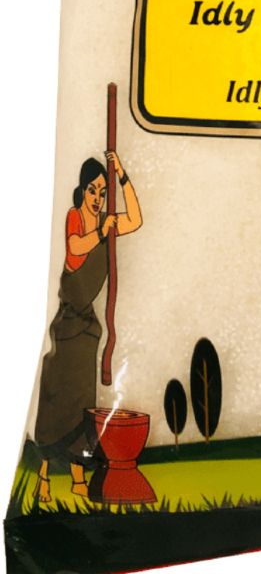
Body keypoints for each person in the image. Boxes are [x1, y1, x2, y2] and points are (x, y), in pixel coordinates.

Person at [33, 151, 142, 502]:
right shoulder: (76, 218)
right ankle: (43, 474)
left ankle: (78, 476)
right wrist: (102, 230)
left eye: (103, 192)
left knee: (83, 400)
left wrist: (122, 175)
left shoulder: (106, 223)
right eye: (93, 190)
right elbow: (75, 247)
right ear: (82, 190)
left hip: (87, 331)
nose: (97, 198)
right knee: (56, 398)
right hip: (66, 327)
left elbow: (136, 219)